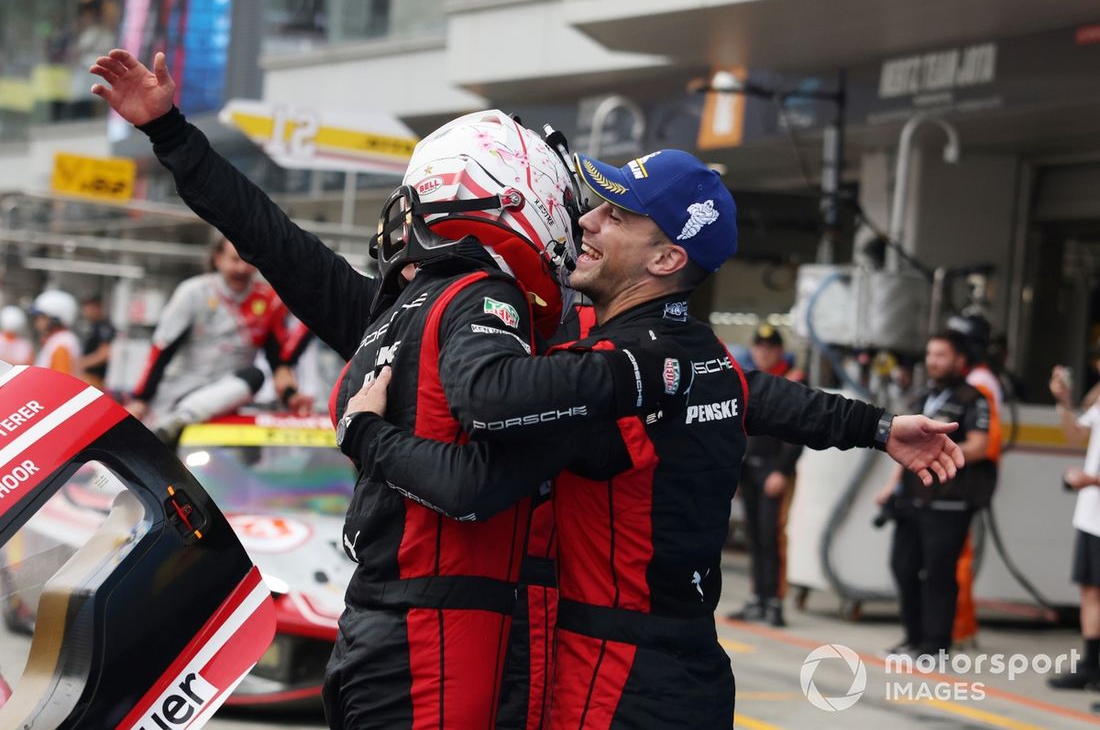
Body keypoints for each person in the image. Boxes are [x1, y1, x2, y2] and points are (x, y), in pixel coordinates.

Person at [91, 50, 693, 730]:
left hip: (504, 631)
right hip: (398, 618)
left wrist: (367, 435)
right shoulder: (416, 312)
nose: (584, 228)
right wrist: (171, 133)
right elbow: (274, 241)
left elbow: (500, 474)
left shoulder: (561, 332)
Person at [342, 150, 966, 728]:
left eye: (615, 214)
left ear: (666, 259)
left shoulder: (610, 379)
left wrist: (367, 433)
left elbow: (468, 484)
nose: (585, 220)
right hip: (694, 669)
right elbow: (763, 396)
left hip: (610, 681)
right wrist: (877, 426)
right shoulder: (698, 356)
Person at [875, 330, 994, 659]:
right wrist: (890, 486)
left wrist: (940, 450)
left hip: (950, 500)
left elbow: (981, 446)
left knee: (939, 572)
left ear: (960, 360)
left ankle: (936, 644)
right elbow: (907, 447)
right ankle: (913, 638)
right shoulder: (924, 397)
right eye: (930, 355)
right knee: (903, 566)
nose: (933, 362)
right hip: (913, 497)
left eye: (941, 355)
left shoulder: (974, 398)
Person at [125, 237, 311, 442]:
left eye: (248, 261)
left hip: (227, 397)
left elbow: (278, 363)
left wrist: (291, 396)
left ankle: (180, 420)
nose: (242, 268)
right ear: (218, 259)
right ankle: (173, 421)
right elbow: (162, 348)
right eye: (235, 260)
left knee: (256, 375)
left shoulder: (269, 301)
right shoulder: (193, 292)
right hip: (178, 393)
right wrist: (140, 399)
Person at [729, 324, 805, 627]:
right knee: (755, 537)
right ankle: (757, 598)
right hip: (750, 470)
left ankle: (774, 602)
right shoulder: (751, 381)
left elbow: (799, 434)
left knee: (773, 537)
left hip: (775, 469)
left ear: (778, 351)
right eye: (759, 347)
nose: (763, 353)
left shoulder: (793, 380)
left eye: (769, 348)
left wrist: (783, 471)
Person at [947, 313, 1003, 649]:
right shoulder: (975, 379)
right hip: (960, 475)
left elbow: (985, 444)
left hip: (967, 479)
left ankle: (957, 627)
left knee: (957, 557)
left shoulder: (980, 383)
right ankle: (961, 627)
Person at [1048, 361, 1100, 692]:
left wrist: (1091, 479)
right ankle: (1091, 665)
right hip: (1092, 513)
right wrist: (1064, 402)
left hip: (1092, 495)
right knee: (1089, 589)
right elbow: (1076, 435)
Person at [31, 290, 83, 376]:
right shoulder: (58, 339)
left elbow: (60, 381)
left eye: (40, 317)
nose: (36, 321)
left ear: (54, 320)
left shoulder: (62, 343)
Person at [77, 293, 115, 390]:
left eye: (91, 307)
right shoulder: (93, 326)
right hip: (88, 375)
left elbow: (104, 354)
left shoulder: (103, 326)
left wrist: (81, 363)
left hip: (95, 378)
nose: (87, 310)